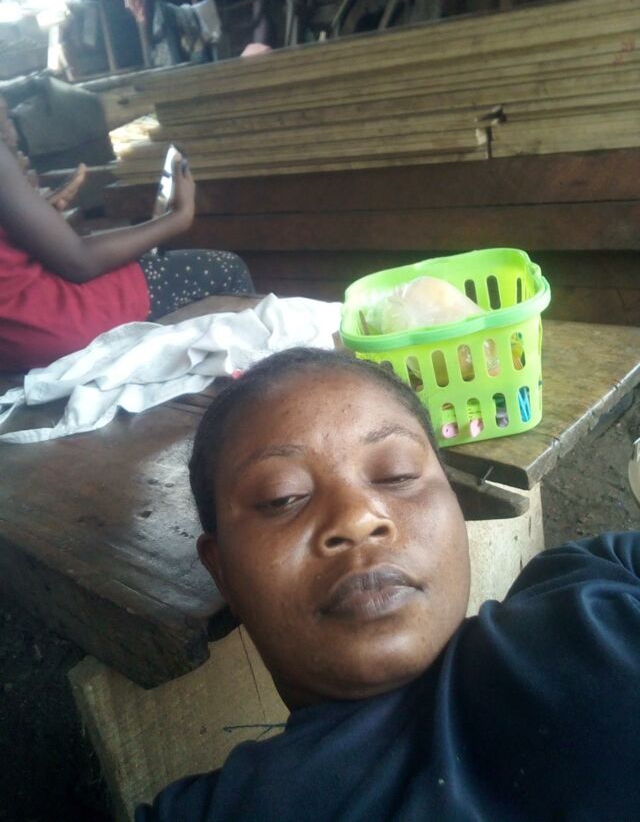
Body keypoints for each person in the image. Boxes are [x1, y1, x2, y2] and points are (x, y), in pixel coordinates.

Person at [137, 348, 640, 821]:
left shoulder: (595, 583)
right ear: (221, 570)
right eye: (281, 497)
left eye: (396, 474)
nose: (357, 518)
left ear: (454, 501)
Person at [0, 102, 254, 372]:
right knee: (226, 268)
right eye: (4, 113)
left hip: (10, 338)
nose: (11, 128)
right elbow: (79, 261)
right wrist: (178, 218)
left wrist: (37, 217)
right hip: (49, 322)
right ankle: (245, 382)